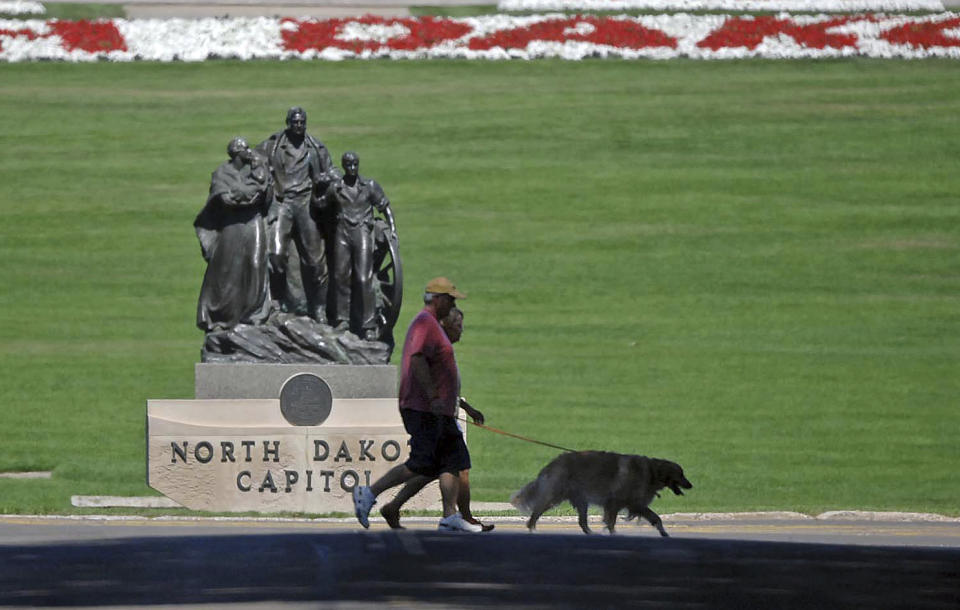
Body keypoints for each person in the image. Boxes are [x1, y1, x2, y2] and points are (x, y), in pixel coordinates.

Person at [352, 277, 481, 533]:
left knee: (452, 461)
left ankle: (449, 517)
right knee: (421, 463)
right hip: (424, 408)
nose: (452, 304)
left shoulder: (432, 325)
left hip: (438, 409)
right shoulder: (425, 323)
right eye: (450, 299)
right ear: (438, 299)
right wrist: (433, 397)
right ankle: (368, 493)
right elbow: (418, 360)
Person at [377, 307, 494, 532]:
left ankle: (396, 507)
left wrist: (468, 408)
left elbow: (448, 390)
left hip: (443, 417)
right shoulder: (437, 351)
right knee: (455, 468)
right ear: (446, 325)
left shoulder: (444, 350)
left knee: (432, 471)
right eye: (458, 326)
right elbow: (430, 385)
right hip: (435, 419)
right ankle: (460, 517)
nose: (462, 331)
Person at [256, 107, 339, 323]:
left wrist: (326, 180)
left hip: (305, 203)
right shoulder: (273, 146)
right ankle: (275, 303)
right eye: (295, 122)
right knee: (275, 254)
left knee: (315, 259)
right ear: (288, 123)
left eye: (302, 122)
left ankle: (319, 309)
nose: (299, 126)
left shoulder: (315, 147)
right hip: (282, 203)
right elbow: (253, 162)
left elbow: (332, 171)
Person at [194, 137, 272, 331]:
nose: (249, 151)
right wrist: (248, 194)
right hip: (231, 225)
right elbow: (224, 199)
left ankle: (254, 314)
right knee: (226, 269)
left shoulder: (255, 168)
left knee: (256, 264)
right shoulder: (222, 172)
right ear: (236, 152)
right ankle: (219, 315)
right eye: (245, 148)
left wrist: (242, 192)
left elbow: (261, 191)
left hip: (253, 223)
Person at [317, 151, 396, 340]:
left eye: (355, 165)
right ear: (344, 166)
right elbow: (320, 205)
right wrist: (317, 187)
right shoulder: (336, 188)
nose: (352, 168)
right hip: (342, 232)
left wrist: (392, 229)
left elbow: (384, 207)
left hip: (361, 231)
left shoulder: (369, 186)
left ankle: (368, 324)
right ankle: (342, 319)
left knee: (363, 277)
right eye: (349, 165)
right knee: (341, 276)